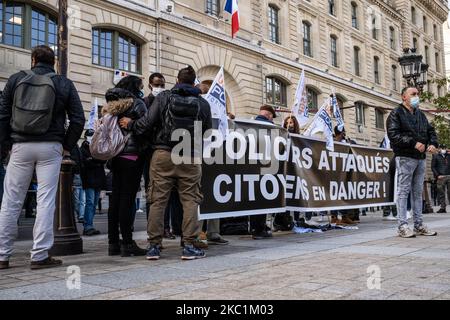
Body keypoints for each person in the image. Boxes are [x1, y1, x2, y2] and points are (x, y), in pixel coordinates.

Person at [0, 45, 85, 270]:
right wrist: (66, 146)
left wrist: (6, 146)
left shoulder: (16, 79)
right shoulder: (63, 83)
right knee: (45, 201)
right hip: (51, 146)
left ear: (33, 59)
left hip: (20, 145)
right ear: (54, 61)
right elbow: (78, 119)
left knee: (11, 201)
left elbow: (2, 115)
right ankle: (39, 255)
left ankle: (2, 255)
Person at [119, 65, 212, 260]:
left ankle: (154, 246)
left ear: (177, 80)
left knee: (157, 200)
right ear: (194, 83)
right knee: (190, 201)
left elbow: (146, 123)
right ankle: (188, 245)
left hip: (163, 153)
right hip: (189, 154)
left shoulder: (164, 97)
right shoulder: (203, 104)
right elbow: (207, 132)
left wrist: (131, 124)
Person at [104, 76, 148, 257]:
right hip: (132, 155)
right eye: (141, 86)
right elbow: (144, 127)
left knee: (115, 199)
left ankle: (113, 243)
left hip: (115, 155)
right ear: (135, 87)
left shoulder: (111, 103)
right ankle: (127, 243)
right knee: (127, 199)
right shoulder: (137, 103)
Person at [386, 86, 438, 238]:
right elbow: (393, 135)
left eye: (417, 94)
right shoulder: (396, 113)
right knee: (403, 191)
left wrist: (433, 143)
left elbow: (430, 131)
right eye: (413, 94)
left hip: (420, 158)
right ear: (404, 97)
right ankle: (402, 225)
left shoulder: (421, 115)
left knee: (417, 192)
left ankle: (418, 224)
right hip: (405, 157)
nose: (417, 96)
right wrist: (413, 143)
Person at [250, 105, 277, 239]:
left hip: (251, 167)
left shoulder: (250, 124)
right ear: (270, 116)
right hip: (266, 166)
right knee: (262, 198)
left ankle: (257, 226)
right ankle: (258, 229)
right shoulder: (270, 127)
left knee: (255, 197)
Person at [80, 130, 105, 236]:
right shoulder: (83, 148)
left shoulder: (97, 146)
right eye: (90, 136)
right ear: (86, 137)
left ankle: (90, 225)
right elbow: (86, 163)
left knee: (94, 204)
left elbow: (103, 159)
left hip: (98, 179)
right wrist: (96, 161)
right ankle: (88, 226)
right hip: (89, 179)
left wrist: (94, 160)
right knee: (90, 203)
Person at [431, 144, 450, 213]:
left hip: (449, 175)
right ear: (439, 149)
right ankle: (443, 207)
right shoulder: (436, 156)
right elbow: (433, 167)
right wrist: (437, 175)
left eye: (444, 148)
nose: (443, 149)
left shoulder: (449, 155)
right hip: (440, 176)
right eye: (442, 148)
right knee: (441, 193)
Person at [71, 142, 85, 223]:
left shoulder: (76, 146)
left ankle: (81, 215)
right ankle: (80, 215)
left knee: (80, 199)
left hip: (79, 174)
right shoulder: (74, 147)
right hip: (76, 175)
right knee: (78, 199)